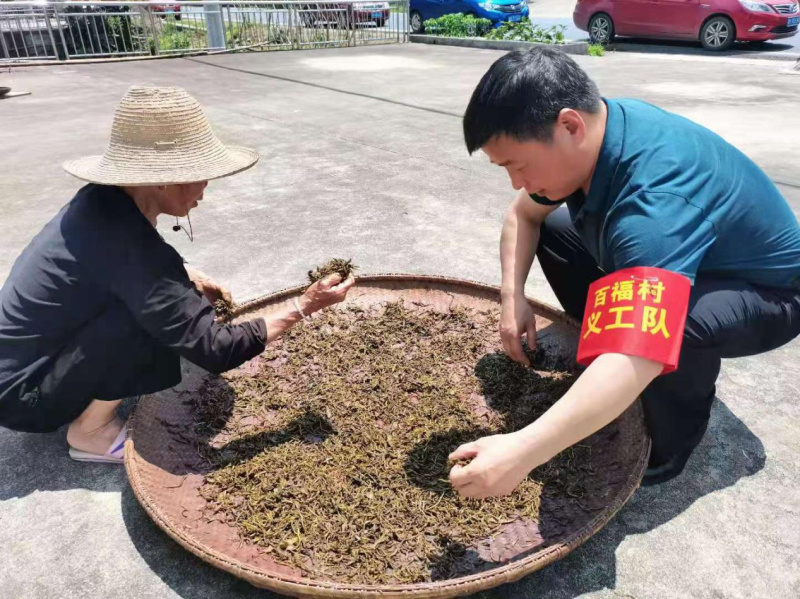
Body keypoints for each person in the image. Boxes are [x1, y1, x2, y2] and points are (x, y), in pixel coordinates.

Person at [448, 48, 800, 496]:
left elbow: (642, 349)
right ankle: (605, 364)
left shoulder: (652, 208)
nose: (517, 182)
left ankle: (670, 445)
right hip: (692, 258)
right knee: (555, 228)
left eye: (518, 165)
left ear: (569, 126)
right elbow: (523, 216)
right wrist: (512, 297)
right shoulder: (599, 127)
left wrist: (521, 451)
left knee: (672, 328)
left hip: (771, 294)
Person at [0, 86, 354, 463]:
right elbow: (217, 349)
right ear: (164, 179)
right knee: (151, 319)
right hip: (25, 394)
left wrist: (187, 273)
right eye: (200, 175)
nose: (205, 188)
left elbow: (120, 266)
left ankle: (89, 394)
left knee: (165, 304)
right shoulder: (128, 244)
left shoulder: (101, 202)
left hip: (27, 363)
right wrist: (304, 306)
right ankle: (90, 432)